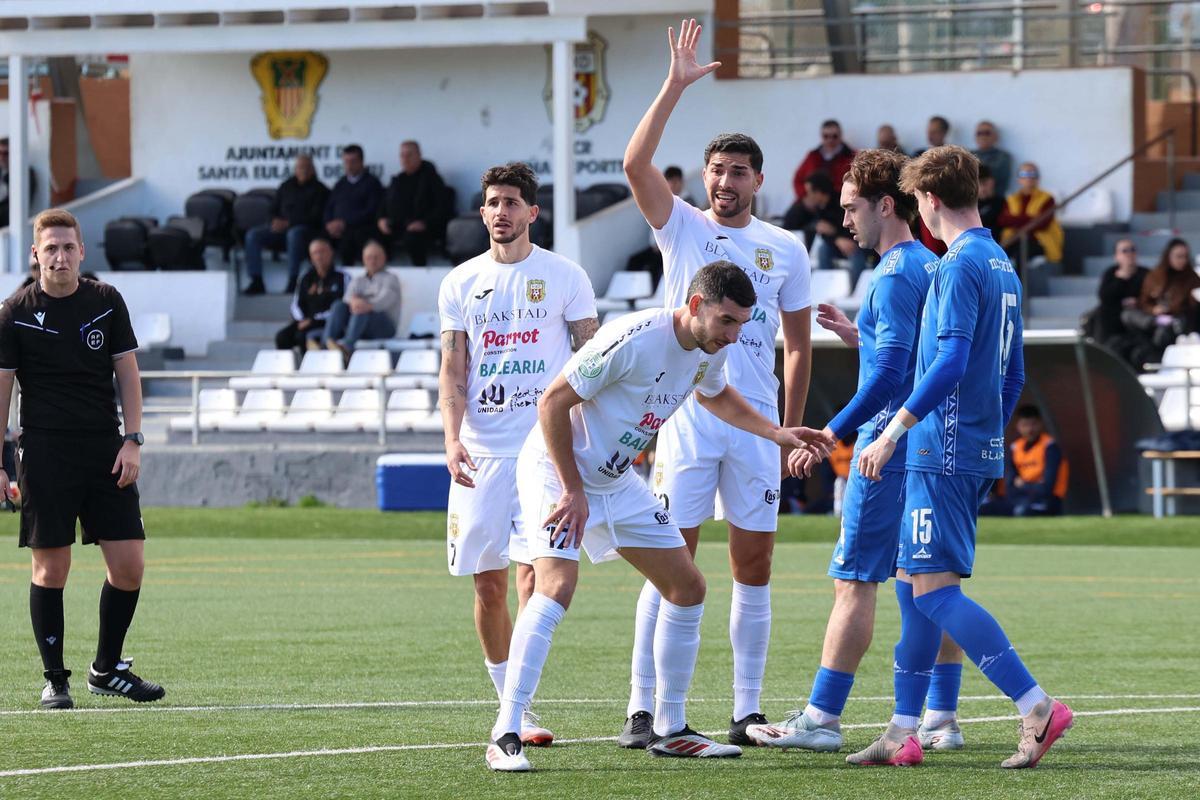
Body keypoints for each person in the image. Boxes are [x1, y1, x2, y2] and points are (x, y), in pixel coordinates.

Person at [484, 261, 832, 771]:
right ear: (696, 306)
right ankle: (506, 730)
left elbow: (717, 397)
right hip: (556, 471)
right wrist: (574, 490)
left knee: (688, 586)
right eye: (728, 322)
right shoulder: (632, 336)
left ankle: (670, 728)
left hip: (616, 479)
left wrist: (778, 432)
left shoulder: (707, 348)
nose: (735, 336)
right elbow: (552, 403)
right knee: (555, 585)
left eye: (742, 324)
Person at [621, 18, 814, 748]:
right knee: (677, 558)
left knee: (755, 564)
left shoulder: (785, 249)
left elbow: (798, 346)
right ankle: (645, 708)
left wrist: (790, 433)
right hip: (689, 420)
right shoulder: (682, 228)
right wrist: (673, 86)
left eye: (738, 172)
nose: (724, 182)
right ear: (703, 178)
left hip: (759, 425)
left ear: (758, 180)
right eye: (716, 170)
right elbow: (637, 161)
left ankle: (747, 708)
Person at [853, 145, 1073, 769]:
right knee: (915, 586)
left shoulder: (955, 266)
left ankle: (1035, 705)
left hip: (937, 451)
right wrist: (988, 438)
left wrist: (893, 431)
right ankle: (902, 731)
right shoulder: (1003, 262)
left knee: (935, 592)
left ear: (927, 201)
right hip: (967, 448)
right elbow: (1014, 372)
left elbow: (949, 361)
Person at [746, 148, 965, 755]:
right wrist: (859, 334)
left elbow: (894, 374)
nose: (844, 221)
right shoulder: (929, 264)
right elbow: (915, 354)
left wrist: (832, 433)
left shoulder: (894, 272)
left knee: (854, 581)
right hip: (927, 448)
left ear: (886, 205)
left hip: (885, 448)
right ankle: (941, 717)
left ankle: (821, 716)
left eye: (851, 208)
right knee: (926, 581)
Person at [438, 161, 599, 752]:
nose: (501, 211)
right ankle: (506, 693)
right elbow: (453, 368)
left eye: (512, 202)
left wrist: (588, 445)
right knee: (488, 585)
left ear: (533, 212)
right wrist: (452, 438)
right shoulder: (460, 282)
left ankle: (516, 709)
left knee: (537, 574)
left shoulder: (566, 276)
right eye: (492, 202)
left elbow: (592, 362)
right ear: (481, 212)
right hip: (480, 452)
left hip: (541, 451)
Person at [0, 209, 164, 709]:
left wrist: (132, 439)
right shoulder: (14, 312)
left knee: (130, 564)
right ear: (35, 254)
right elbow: (2, 391)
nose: (60, 256)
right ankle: (56, 679)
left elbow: (128, 375)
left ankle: (107, 668)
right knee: (52, 570)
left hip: (104, 449)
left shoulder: (106, 301)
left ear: (82, 253)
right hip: (45, 452)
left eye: (68, 247)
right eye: (51, 248)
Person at [242, 154, 329, 296]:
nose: (304, 171)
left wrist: (289, 223)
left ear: (313, 169)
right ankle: (256, 280)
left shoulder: (320, 190)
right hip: (281, 231)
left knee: (293, 233)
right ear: (295, 170)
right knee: (253, 235)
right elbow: (272, 210)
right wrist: (273, 221)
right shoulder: (286, 186)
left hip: (306, 233)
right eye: (300, 168)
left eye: (307, 167)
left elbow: (316, 217)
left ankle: (293, 280)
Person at [784, 172, 868, 283]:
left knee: (855, 255)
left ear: (819, 192)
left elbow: (851, 225)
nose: (808, 196)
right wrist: (836, 238)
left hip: (856, 242)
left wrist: (840, 237)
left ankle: (854, 291)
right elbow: (824, 232)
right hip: (836, 244)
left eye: (810, 192)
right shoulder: (820, 208)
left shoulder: (841, 203)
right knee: (823, 249)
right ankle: (825, 285)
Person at [323, 240, 401, 355]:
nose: (373, 261)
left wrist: (365, 304)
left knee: (361, 310)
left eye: (376, 257)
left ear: (384, 258)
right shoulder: (358, 280)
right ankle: (326, 343)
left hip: (384, 326)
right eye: (369, 257)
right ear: (364, 259)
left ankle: (347, 348)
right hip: (361, 325)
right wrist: (355, 302)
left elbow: (384, 301)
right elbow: (347, 299)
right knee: (338, 305)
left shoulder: (391, 279)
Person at [377, 141, 447, 266]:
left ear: (419, 155)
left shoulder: (432, 179)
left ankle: (419, 272)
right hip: (398, 225)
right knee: (372, 234)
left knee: (413, 238)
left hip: (425, 227)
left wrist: (424, 223)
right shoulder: (398, 180)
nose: (405, 159)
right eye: (402, 155)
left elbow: (443, 207)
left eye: (409, 155)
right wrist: (381, 219)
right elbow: (384, 203)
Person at [1126, 238, 1200, 354]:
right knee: (1128, 315)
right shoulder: (1155, 276)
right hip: (1154, 319)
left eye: (1185, 256)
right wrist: (1154, 309)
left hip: (1179, 320)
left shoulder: (1192, 278)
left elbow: (1193, 307)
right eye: (1178, 256)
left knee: (1165, 332)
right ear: (1168, 256)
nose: (1182, 260)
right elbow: (1144, 301)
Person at [625, 165, 695, 289]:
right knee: (634, 260)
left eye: (676, 181)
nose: (673, 185)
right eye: (670, 181)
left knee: (655, 266)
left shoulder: (688, 203)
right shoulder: (662, 199)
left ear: (681, 182)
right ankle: (628, 290)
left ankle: (653, 295)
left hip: (674, 248)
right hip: (656, 247)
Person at [274, 237, 348, 353]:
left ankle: (309, 369)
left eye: (322, 251)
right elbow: (296, 305)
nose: (319, 256)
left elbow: (343, 305)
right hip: (304, 321)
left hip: (329, 323)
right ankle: (290, 370)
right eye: (315, 253)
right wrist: (302, 319)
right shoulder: (305, 277)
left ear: (331, 253)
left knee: (303, 336)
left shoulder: (342, 277)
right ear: (311, 257)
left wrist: (313, 321)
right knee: (282, 337)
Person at [1001, 406, 1069, 517]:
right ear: (1017, 426)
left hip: (1048, 501)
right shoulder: (1014, 448)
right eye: (1025, 425)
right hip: (1021, 499)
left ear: (1040, 424)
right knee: (990, 509)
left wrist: (1023, 484)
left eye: (1033, 424)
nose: (1029, 429)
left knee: (1022, 511)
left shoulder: (1050, 447)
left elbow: (1047, 487)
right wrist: (1034, 485)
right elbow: (1010, 485)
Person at [324, 145, 385, 266]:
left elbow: (372, 211)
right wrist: (329, 224)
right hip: (336, 228)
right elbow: (329, 207)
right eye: (346, 162)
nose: (349, 165)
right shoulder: (340, 183)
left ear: (361, 162)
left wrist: (344, 223)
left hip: (361, 228)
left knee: (350, 238)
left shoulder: (372, 183)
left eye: (353, 161)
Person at [1096, 238, 1152, 368]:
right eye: (1124, 251)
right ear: (1116, 256)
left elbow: (1151, 296)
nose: (1129, 254)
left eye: (1132, 250)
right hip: (1114, 328)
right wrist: (1122, 277)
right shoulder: (1111, 274)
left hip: (1139, 327)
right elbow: (1105, 297)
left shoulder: (1145, 273)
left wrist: (1137, 302)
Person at [998, 162, 1064, 271]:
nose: (1028, 177)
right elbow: (1003, 220)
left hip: (1039, 241)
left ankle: (1019, 287)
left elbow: (1042, 223)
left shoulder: (1047, 198)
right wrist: (1030, 219)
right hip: (1013, 240)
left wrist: (1016, 220)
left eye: (1032, 174)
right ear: (1019, 179)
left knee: (1020, 253)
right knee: (996, 255)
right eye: (1024, 174)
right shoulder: (1011, 199)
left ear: (1038, 178)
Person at [792, 119, 855, 201]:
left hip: (839, 203)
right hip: (813, 203)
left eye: (834, 136)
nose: (830, 140)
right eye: (826, 136)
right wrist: (806, 197)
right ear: (821, 137)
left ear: (840, 136)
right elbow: (797, 179)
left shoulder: (851, 157)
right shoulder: (812, 156)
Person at [0, 136, 38, 223]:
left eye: (6, 153)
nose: (2, 157)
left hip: (12, 224)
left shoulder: (25, 173)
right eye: (0, 153)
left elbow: (21, 206)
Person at [972, 120, 1014, 197]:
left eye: (987, 133)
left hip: (994, 201)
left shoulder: (1003, 157)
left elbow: (999, 182)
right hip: (970, 201)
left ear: (995, 136)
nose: (983, 136)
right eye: (979, 133)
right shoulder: (968, 155)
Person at [977, 164, 1003, 241]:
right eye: (978, 184)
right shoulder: (969, 205)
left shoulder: (1001, 203)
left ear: (992, 182)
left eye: (984, 183)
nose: (982, 188)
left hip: (996, 245)